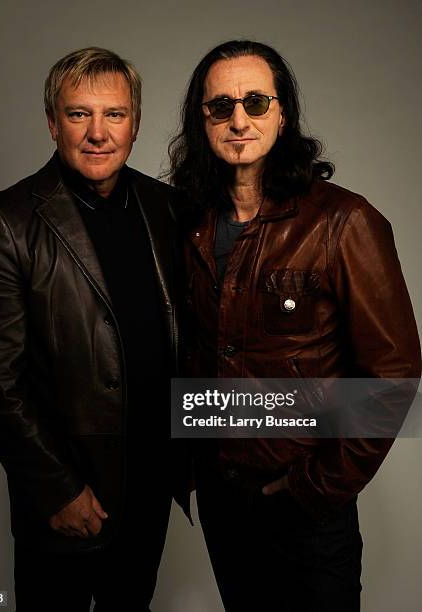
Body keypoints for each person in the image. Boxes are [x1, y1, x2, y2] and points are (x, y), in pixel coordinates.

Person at [169, 40, 421, 611]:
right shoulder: (189, 225)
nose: (238, 120)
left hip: (307, 506)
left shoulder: (344, 221)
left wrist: (314, 487)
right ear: (201, 119)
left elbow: (395, 374)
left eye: (256, 103)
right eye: (220, 106)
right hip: (223, 499)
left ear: (283, 115)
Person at [0, 47, 181, 611]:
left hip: (150, 484)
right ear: (53, 123)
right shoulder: (5, 221)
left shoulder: (168, 208)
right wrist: (55, 488)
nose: (98, 133)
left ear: (136, 124)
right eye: (80, 114)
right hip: (65, 494)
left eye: (115, 114)